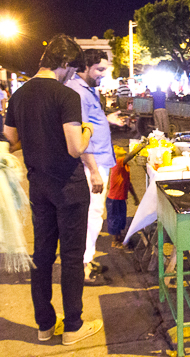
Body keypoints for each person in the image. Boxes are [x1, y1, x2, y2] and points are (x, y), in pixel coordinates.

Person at [3, 34, 103, 345]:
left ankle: (44, 325)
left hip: (39, 185)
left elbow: (9, 138)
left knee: (43, 255)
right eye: (71, 70)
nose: (71, 75)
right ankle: (73, 326)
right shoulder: (65, 95)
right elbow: (76, 148)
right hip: (69, 186)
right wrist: (87, 130)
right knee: (72, 258)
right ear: (63, 64)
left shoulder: (18, 95)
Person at [67, 49, 125, 286]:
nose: (103, 74)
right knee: (92, 214)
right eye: (99, 69)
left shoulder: (87, 90)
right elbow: (79, 133)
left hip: (100, 160)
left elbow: (90, 121)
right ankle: (83, 267)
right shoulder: (78, 92)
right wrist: (92, 171)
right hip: (94, 163)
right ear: (85, 67)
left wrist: (107, 120)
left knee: (95, 213)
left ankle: (87, 259)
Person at [106, 143, 145, 249]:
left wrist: (135, 197)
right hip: (114, 199)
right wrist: (141, 147)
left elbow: (128, 183)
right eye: (117, 148)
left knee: (121, 219)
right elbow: (130, 155)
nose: (120, 147)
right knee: (115, 220)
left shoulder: (125, 166)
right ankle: (115, 241)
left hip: (121, 198)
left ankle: (119, 237)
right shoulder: (118, 162)